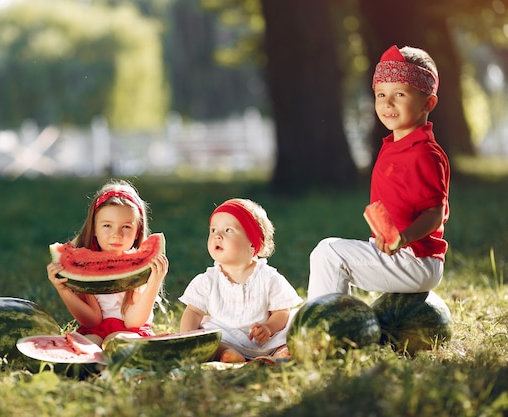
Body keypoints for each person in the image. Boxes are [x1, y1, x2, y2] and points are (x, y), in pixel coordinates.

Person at [307, 45, 450, 300]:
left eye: (400, 95)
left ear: (428, 102)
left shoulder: (424, 153)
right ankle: (335, 317)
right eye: (381, 95)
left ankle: (325, 325)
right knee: (329, 250)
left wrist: (403, 238)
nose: (388, 103)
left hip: (415, 259)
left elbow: (435, 213)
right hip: (396, 253)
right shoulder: (394, 145)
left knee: (328, 254)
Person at [47, 180, 169, 347]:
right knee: (87, 344)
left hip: (130, 332)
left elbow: (133, 322)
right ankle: (95, 367)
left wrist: (154, 282)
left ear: (137, 232)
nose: (116, 234)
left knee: (117, 342)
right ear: (94, 229)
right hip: (95, 330)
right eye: (107, 225)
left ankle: (103, 367)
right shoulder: (87, 268)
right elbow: (92, 321)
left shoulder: (140, 270)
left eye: (126, 227)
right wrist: (63, 289)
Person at [179, 198, 302, 363]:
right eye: (213, 230)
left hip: (265, 339)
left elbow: (282, 312)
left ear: (252, 243)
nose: (217, 236)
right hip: (227, 337)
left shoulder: (268, 277)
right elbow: (194, 312)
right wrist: (186, 339)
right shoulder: (207, 280)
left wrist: (269, 328)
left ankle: (279, 351)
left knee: (295, 320)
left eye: (228, 230)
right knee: (207, 332)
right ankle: (227, 353)